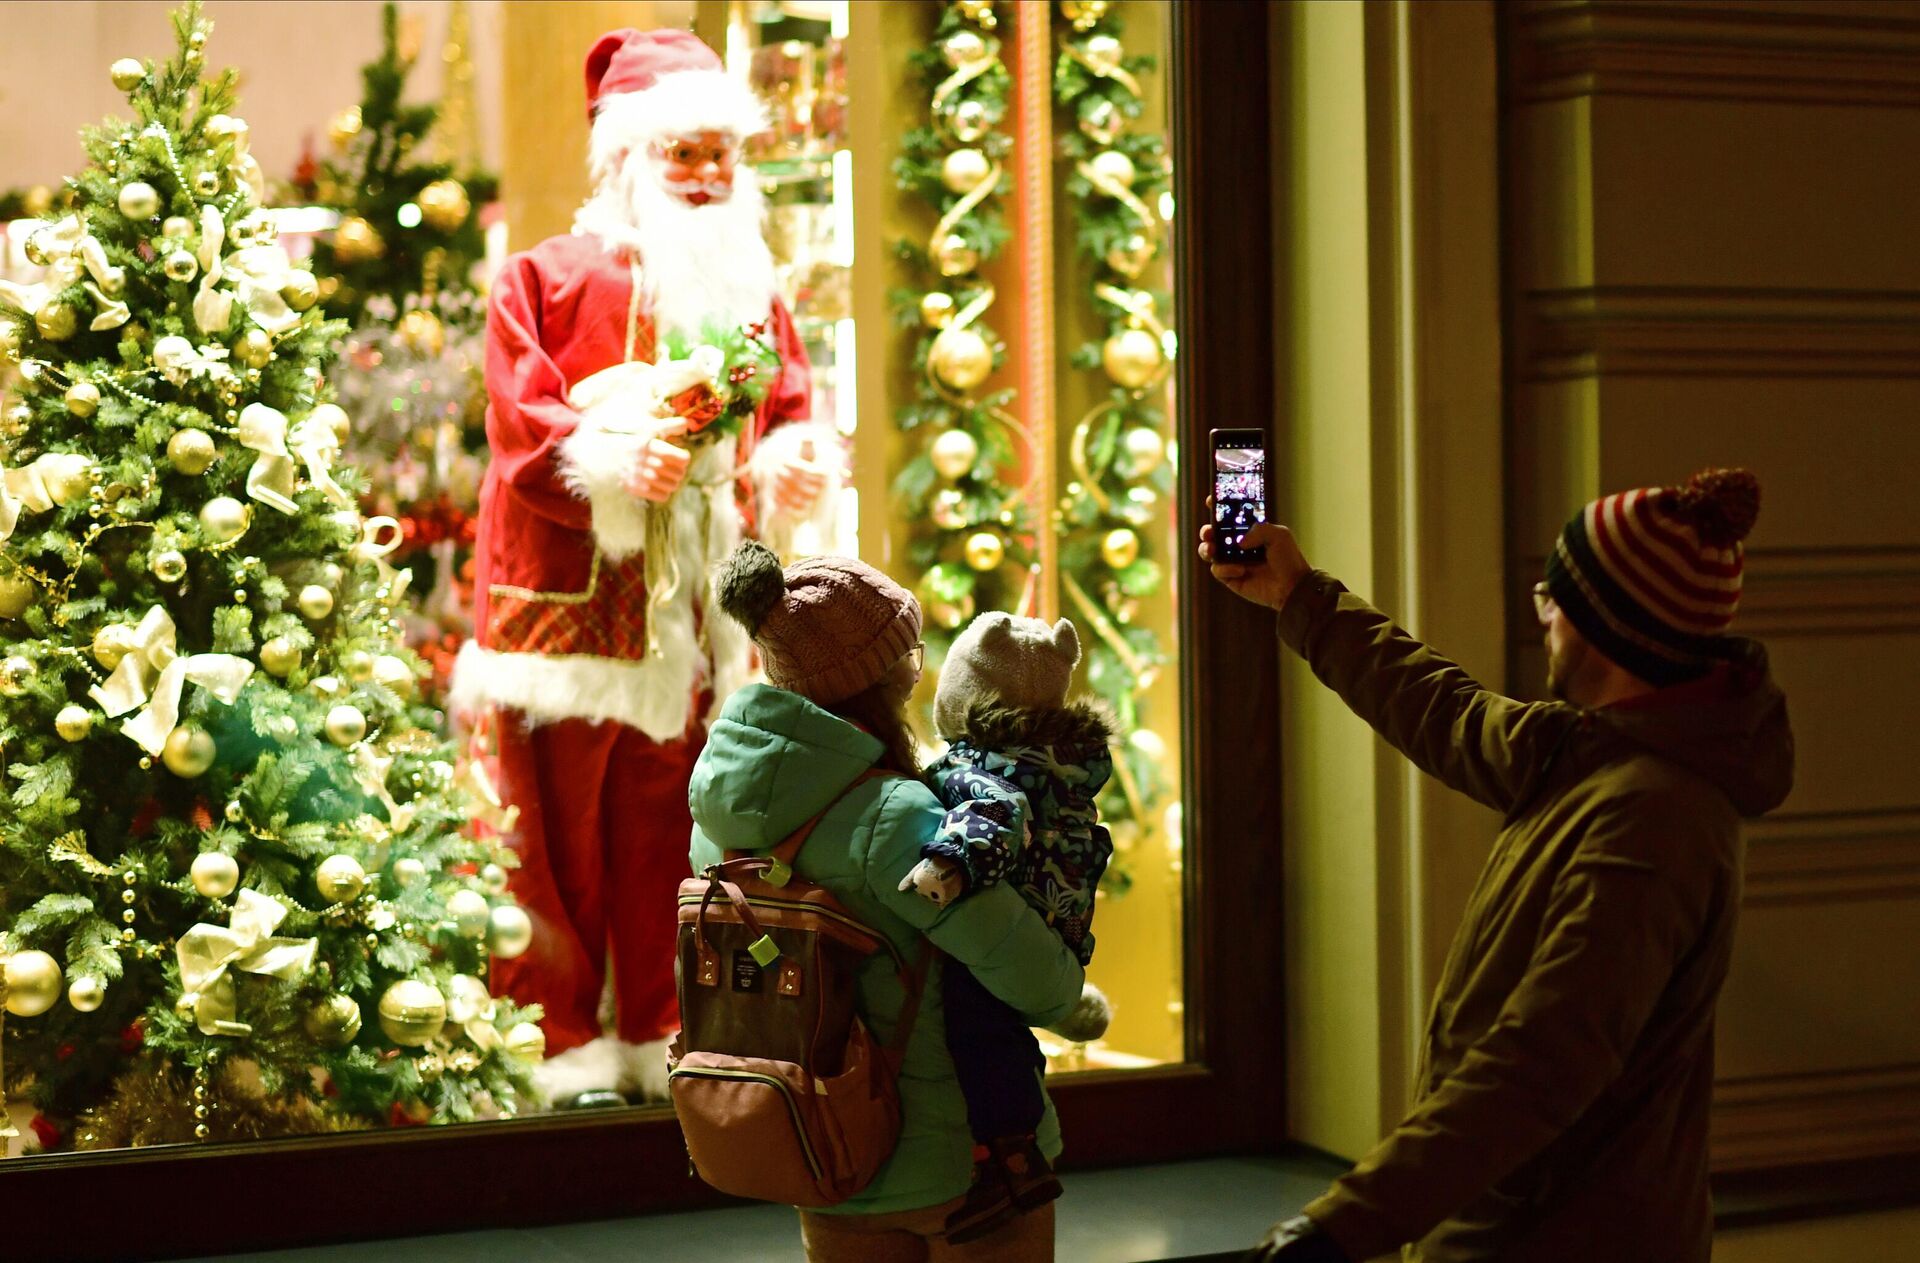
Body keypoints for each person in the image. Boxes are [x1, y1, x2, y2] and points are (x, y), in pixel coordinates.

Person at [1201, 468, 1793, 1263]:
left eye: (1557, 595)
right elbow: (1447, 711)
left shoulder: (1655, 816)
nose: (1542, 611)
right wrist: (1299, 595)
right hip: (1507, 1228)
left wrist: (1342, 1225)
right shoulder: (1592, 753)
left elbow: (1541, 1060)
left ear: (1605, 627)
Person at [450, 27, 838, 1106]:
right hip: (576, 602)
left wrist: (790, 458)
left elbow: (789, 404)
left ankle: (672, 1027)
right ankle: (561, 1041)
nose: (709, 175)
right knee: (557, 827)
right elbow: (519, 422)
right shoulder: (544, 276)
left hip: (703, 598)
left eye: (722, 154)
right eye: (684, 155)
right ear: (627, 159)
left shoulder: (754, 284)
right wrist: (614, 457)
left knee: (683, 821)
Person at [690, 541, 1086, 1262]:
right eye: (906, 649)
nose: (917, 664)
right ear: (872, 675)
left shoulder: (717, 816)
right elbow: (1040, 982)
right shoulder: (894, 814)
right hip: (955, 1161)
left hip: (822, 1149)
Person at [896, 612, 1117, 1242]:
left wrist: (950, 865)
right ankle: (1007, 1151)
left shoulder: (987, 764)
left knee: (980, 1025)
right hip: (1057, 916)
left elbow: (995, 814)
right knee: (1005, 1028)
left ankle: (1011, 1159)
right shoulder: (1059, 761)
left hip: (1017, 909)